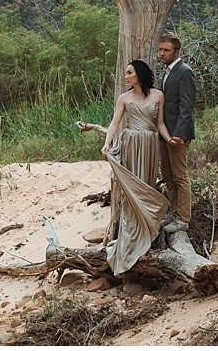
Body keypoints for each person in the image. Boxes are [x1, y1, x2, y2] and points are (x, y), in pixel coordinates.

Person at [73, 60, 176, 274]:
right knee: (132, 190)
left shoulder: (158, 95)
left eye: (129, 72)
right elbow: (114, 123)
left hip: (149, 145)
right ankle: (128, 240)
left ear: (139, 74)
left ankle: (148, 229)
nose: (126, 76)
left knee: (146, 187)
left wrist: (169, 140)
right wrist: (107, 143)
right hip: (130, 144)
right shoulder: (124, 98)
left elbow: (160, 124)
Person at [156, 34, 197, 226]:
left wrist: (179, 133)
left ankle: (183, 219)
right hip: (164, 133)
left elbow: (186, 106)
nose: (162, 54)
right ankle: (174, 213)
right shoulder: (167, 72)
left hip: (178, 134)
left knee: (180, 176)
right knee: (167, 175)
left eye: (166, 50)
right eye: (161, 50)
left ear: (177, 52)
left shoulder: (184, 72)